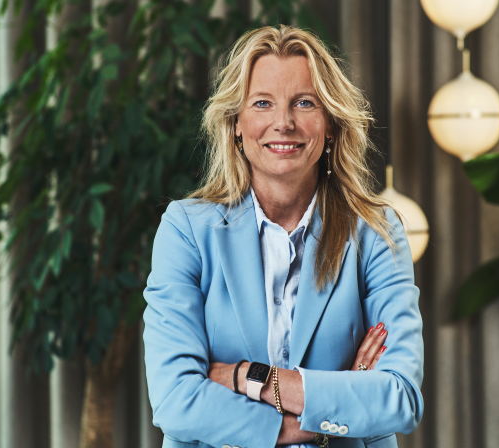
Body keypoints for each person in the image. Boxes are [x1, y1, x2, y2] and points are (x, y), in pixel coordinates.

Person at [143, 25, 423, 448]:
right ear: (236, 124)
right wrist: (333, 407)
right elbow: (175, 401)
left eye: (304, 103)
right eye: (262, 103)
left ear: (330, 124)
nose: (283, 122)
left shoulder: (376, 232)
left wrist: (249, 377)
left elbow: (400, 398)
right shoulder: (186, 230)